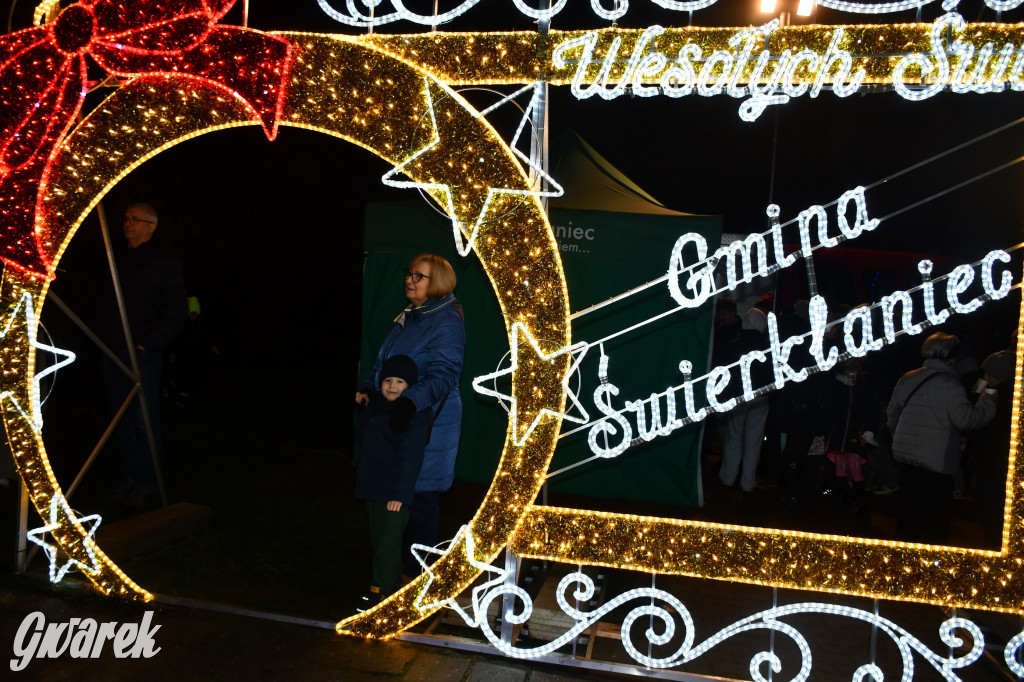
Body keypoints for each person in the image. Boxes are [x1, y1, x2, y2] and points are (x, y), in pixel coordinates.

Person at [355, 253, 466, 577]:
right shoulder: (412, 315)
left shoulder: (445, 320)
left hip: (427, 422)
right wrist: (367, 389)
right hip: (396, 419)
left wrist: (409, 402)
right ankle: (395, 571)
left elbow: (445, 373)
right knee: (397, 493)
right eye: (409, 274)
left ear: (438, 283)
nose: (409, 280)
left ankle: (417, 575)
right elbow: (383, 363)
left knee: (420, 496)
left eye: (418, 276)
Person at [93, 202, 187, 509]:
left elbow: (175, 309)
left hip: (141, 353)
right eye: (126, 218)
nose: (128, 224)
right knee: (122, 418)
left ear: (151, 226)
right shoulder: (115, 259)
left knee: (143, 417)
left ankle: (149, 482)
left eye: (135, 220)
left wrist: (149, 343)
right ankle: (131, 478)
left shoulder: (162, 263)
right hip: (113, 349)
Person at [887, 332, 998, 544]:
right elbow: (966, 420)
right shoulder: (950, 384)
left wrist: (901, 439)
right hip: (936, 460)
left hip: (907, 455)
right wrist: (988, 400)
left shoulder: (908, 377)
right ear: (952, 357)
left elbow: (892, 415)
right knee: (934, 521)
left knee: (908, 516)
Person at [355, 355, 430, 608]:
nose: (392, 385)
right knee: (379, 541)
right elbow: (365, 437)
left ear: (410, 386)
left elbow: (410, 459)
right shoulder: (378, 408)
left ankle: (379, 592)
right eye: (388, 380)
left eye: (400, 381)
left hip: (394, 495)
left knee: (387, 544)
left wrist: (399, 495)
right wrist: (365, 405)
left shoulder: (411, 416)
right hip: (373, 488)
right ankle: (396, 584)